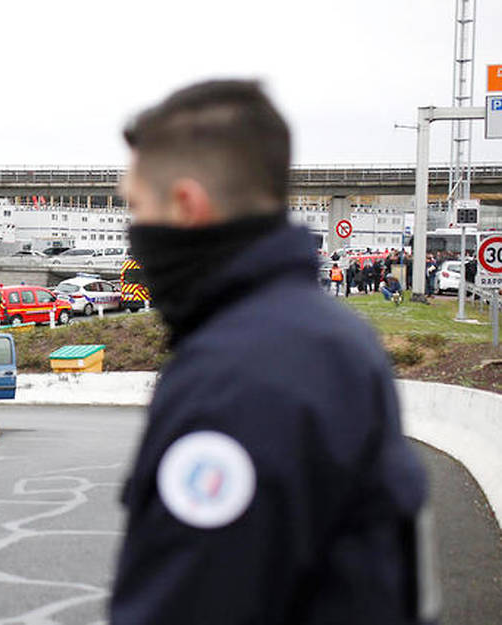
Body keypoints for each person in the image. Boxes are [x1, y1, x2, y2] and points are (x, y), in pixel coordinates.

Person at [111, 80, 434, 625]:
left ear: (187, 206)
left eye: (137, 207)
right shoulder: (338, 336)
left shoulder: (233, 380)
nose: (133, 232)